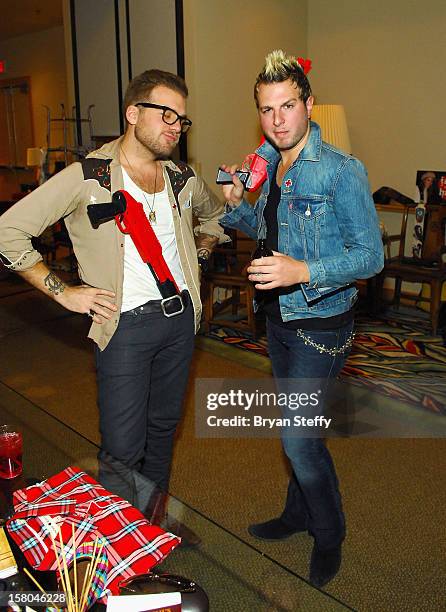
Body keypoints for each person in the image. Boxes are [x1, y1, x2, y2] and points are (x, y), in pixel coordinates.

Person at [0, 69, 227, 538]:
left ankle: (151, 530)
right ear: (132, 113)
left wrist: (200, 250)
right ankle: (118, 555)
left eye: (181, 120)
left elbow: (218, 214)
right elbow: (7, 231)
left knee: (163, 434)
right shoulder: (89, 177)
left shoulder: (182, 178)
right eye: (165, 114)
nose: (175, 126)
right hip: (124, 328)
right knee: (123, 451)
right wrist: (64, 292)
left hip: (181, 322)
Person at [219, 50, 383, 587]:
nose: (278, 120)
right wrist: (238, 202)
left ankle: (330, 534)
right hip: (278, 321)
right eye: (267, 109)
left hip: (321, 324)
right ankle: (296, 514)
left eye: (288, 105)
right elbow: (269, 234)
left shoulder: (340, 170)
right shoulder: (272, 164)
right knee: (297, 427)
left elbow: (370, 257)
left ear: (308, 104)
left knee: (298, 439)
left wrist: (302, 271)